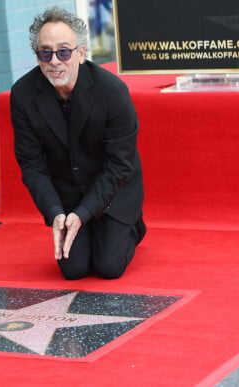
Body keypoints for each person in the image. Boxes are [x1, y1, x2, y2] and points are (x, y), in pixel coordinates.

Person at [10, 7, 146, 280]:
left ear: (81, 54)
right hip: (68, 192)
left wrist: (84, 214)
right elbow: (31, 164)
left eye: (63, 51)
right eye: (45, 53)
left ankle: (133, 227)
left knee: (109, 267)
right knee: (74, 270)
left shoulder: (112, 92)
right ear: (37, 57)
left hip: (113, 190)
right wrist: (55, 213)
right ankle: (87, 228)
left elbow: (119, 164)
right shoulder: (23, 94)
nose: (55, 61)